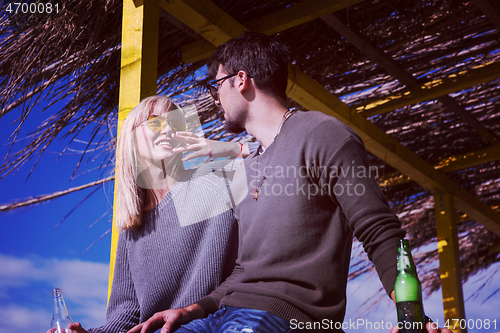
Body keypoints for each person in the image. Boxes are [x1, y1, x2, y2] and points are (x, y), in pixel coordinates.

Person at [130, 32, 452, 333]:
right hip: (224, 316)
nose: (216, 100)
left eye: (218, 87)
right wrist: (193, 310)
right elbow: (244, 270)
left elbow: (380, 232)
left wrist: (413, 318)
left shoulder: (323, 135)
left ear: (240, 80)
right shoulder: (248, 167)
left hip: (289, 318)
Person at [58, 96, 256, 333]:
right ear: (131, 137)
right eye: (154, 122)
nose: (168, 128)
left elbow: (281, 156)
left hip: (221, 321)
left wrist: (233, 148)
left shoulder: (214, 179)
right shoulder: (132, 229)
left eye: (175, 122)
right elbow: (127, 312)